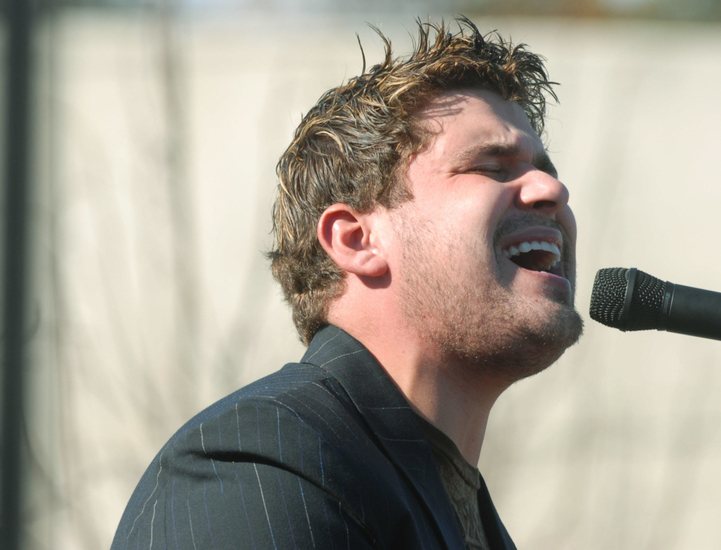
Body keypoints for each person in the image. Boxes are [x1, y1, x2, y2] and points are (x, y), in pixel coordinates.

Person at [112, 17, 582, 550]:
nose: (552, 188)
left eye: (546, 169)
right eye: (492, 166)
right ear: (357, 240)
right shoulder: (263, 461)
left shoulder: (469, 518)